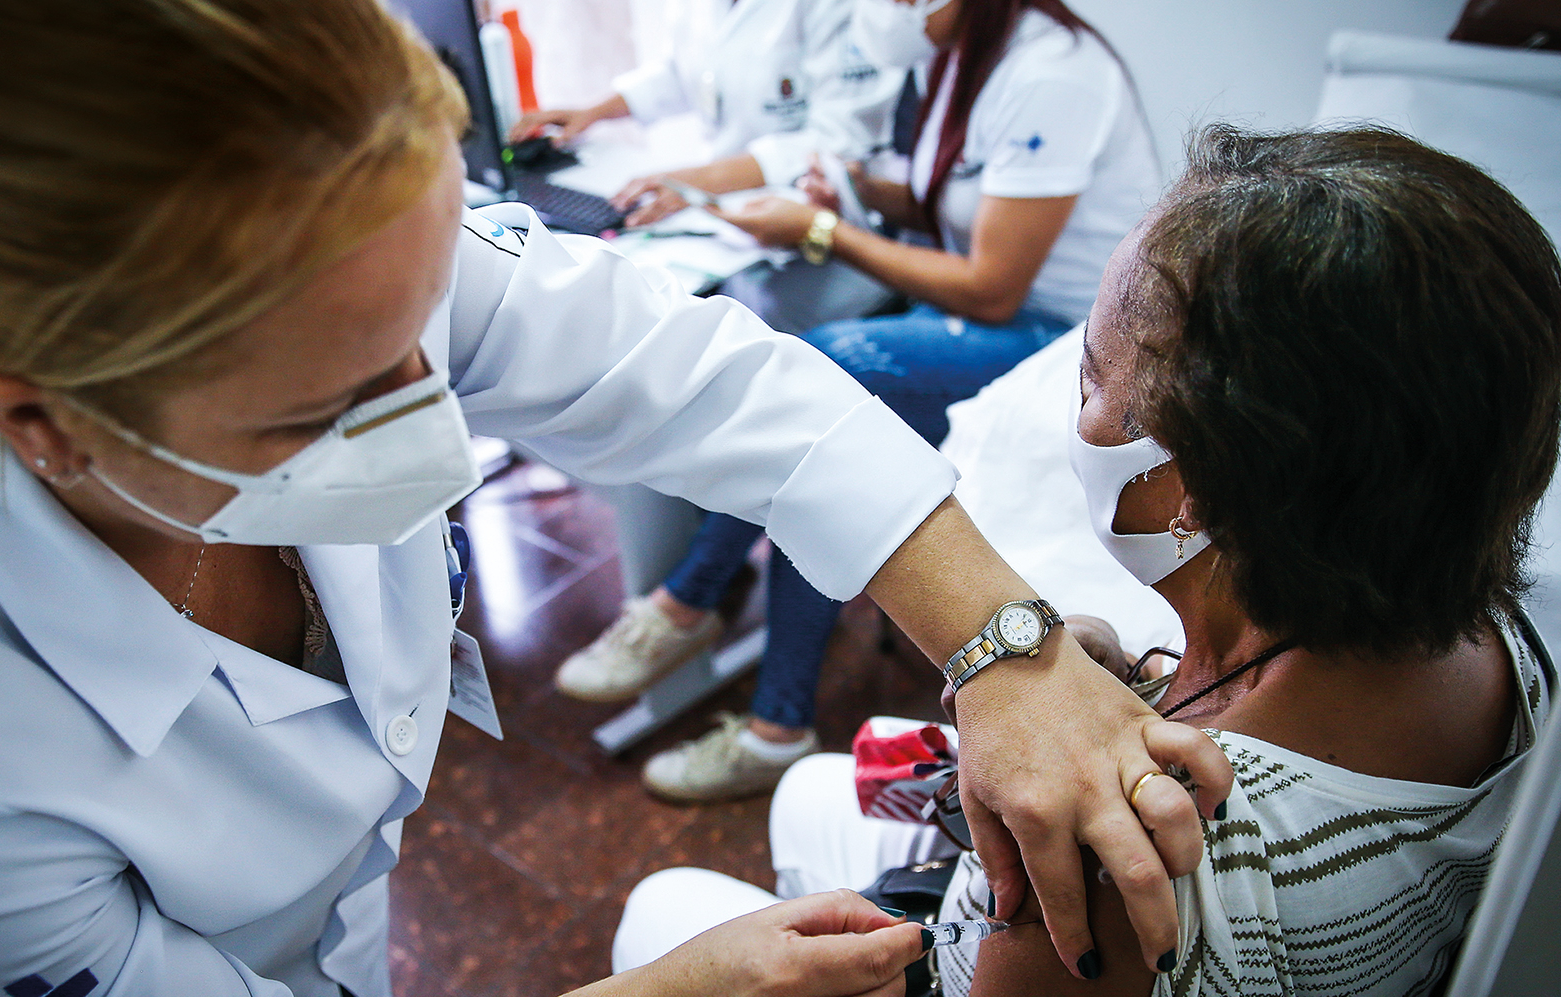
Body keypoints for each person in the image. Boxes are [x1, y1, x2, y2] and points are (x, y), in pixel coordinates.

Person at [0, 0, 1229, 994]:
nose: (433, 404)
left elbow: (708, 380)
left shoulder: (324, 241)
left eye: (440, 320)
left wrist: (1004, 641)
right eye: (329, 403)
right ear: (37, 422)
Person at [611, 123, 1561, 995]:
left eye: (1092, 374)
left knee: (662, 908)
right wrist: (1143, 680)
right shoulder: (1496, 634)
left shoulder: (1126, 858)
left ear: (1204, 493)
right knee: (813, 789)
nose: (1079, 405)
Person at [556, 0, 1158, 804]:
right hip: (996, 314)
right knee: (835, 440)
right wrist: (854, 192)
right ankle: (768, 711)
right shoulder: (964, 57)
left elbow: (992, 284)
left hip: (1064, 339)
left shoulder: (1055, 74)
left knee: (825, 377)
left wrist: (822, 233)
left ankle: (692, 607)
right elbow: (944, 199)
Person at [507, 0, 903, 227]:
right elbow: (690, 70)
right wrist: (592, 112)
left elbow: (840, 140)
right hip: (729, 210)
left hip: (828, 224)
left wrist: (699, 181)